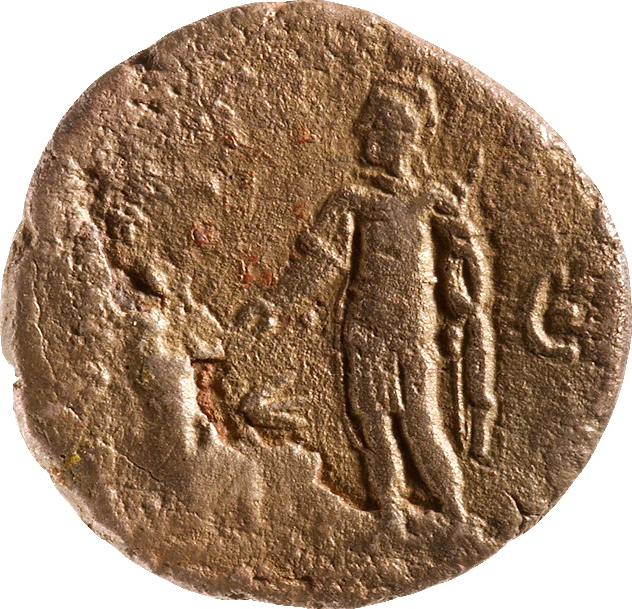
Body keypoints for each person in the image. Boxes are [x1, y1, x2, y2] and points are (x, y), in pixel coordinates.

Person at [233, 79, 497, 523]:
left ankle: (456, 513)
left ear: (405, 135)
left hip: (414, 329)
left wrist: (464, 261)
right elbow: (323, 261)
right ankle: (391, 515)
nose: (364, 133)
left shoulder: (433, 200)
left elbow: (473, 272)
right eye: (368, 125)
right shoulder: (353, 198)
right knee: (373, 425)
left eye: (376, 125)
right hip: (365, 327)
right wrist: (275, 303)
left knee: (421, 421)